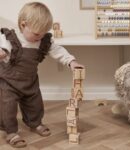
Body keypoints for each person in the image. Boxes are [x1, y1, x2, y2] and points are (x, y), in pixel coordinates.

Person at [0, 2, 84, 148]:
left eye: (44, 34)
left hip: (30, 81)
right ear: (23, 24)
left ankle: (35, 123)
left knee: (35, 104)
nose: (40, 37)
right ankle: (11, 132)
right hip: (9, 82)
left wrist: (72, 62)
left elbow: (58, 51)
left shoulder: (42, 40)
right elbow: (3, 48)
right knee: (8, 107)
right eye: (37, 34)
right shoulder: (10, 38)